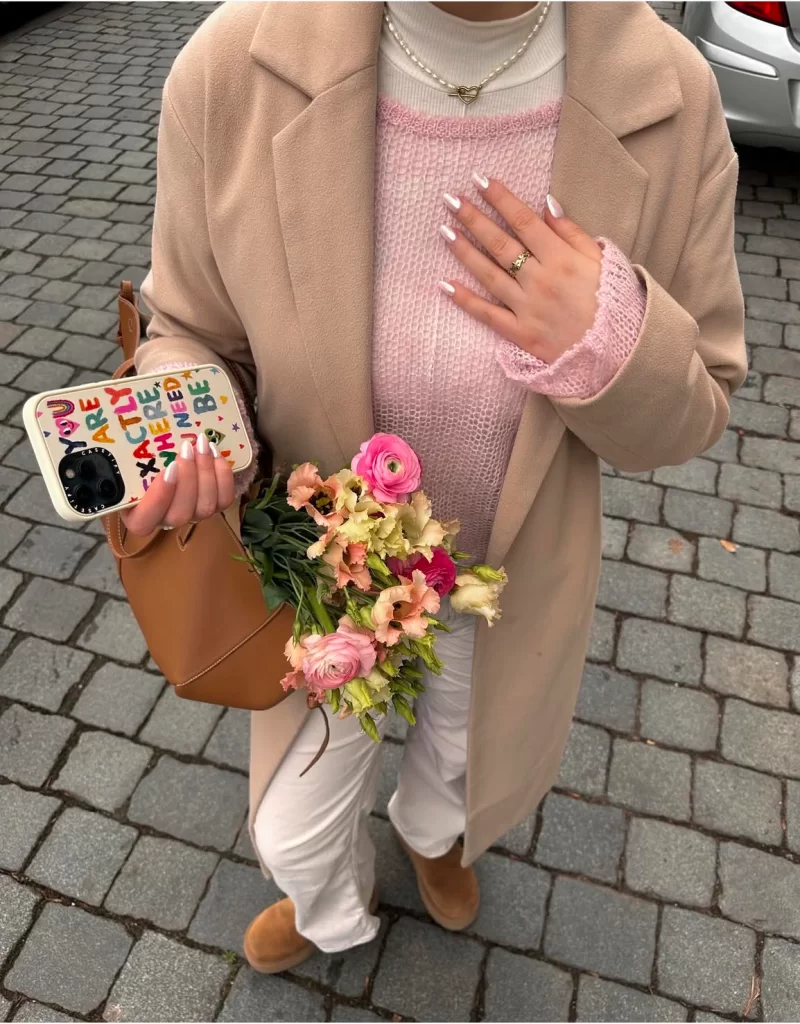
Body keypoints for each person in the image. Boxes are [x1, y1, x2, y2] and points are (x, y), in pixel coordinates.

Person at [123, 0, 747, 971]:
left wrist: (610, 337)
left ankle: (429, 835)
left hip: (500, 574)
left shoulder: (671, 96)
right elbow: (187, 325)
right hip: (329, 573)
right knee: (292, 820)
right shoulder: (233, 64)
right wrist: (198, 419)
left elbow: (697, 398)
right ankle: (326, 896)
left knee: (461, 756)